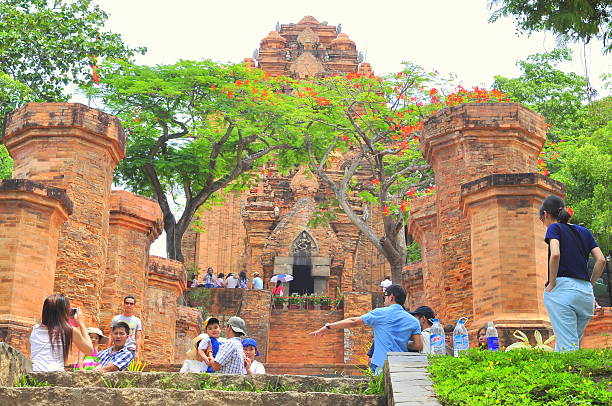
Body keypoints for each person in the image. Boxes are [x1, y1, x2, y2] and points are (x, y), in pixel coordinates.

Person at [540, 195, 606, 352]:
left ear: (546, 214)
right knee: (570, 343)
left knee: (567, 346)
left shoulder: (554, 228)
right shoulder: (584, 231)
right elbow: (601, 260)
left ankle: (569, 375)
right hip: (585, 294)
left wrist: (552, 282)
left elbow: (555, 254)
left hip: (563, 291)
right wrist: (590, 285)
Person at [310, 284, 421, 374]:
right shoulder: (413, 321)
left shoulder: (380, 313)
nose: (384, 300)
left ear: (391, 297)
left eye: (385, 296)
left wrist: (328, 326)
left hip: (381, 365)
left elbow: (353, 322)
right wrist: (403, 342)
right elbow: (418, 345)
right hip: (402, 366)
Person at [29, 294, 94, 372]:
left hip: (34, 373)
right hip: (55, 375)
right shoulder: (70, 331)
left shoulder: (34, 329)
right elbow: (89, 351)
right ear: (64, 313)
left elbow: (31, 350)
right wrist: (81, 324)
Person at [111, 295, 143, 359]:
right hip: (117, 349)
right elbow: (111, 334)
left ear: (134, 306)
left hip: (130, 349)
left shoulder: (137, 320)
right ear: (123, 304)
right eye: (127, 303)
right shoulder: (116, 319)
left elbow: (138, 337)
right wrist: (108, 348)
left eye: (131, 303)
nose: (129, 305)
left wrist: (137, 352)